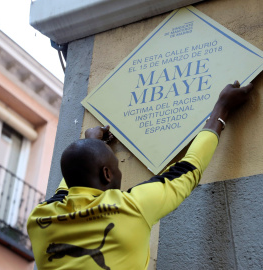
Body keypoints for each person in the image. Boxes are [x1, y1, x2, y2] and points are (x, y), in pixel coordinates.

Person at [27, 81, 253, 270]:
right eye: (117, 166)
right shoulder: (132, 207)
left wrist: (92, 144)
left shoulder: (38, 220)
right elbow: (188, 168)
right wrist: (221, 108)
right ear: (107, 174)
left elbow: (66, 187)